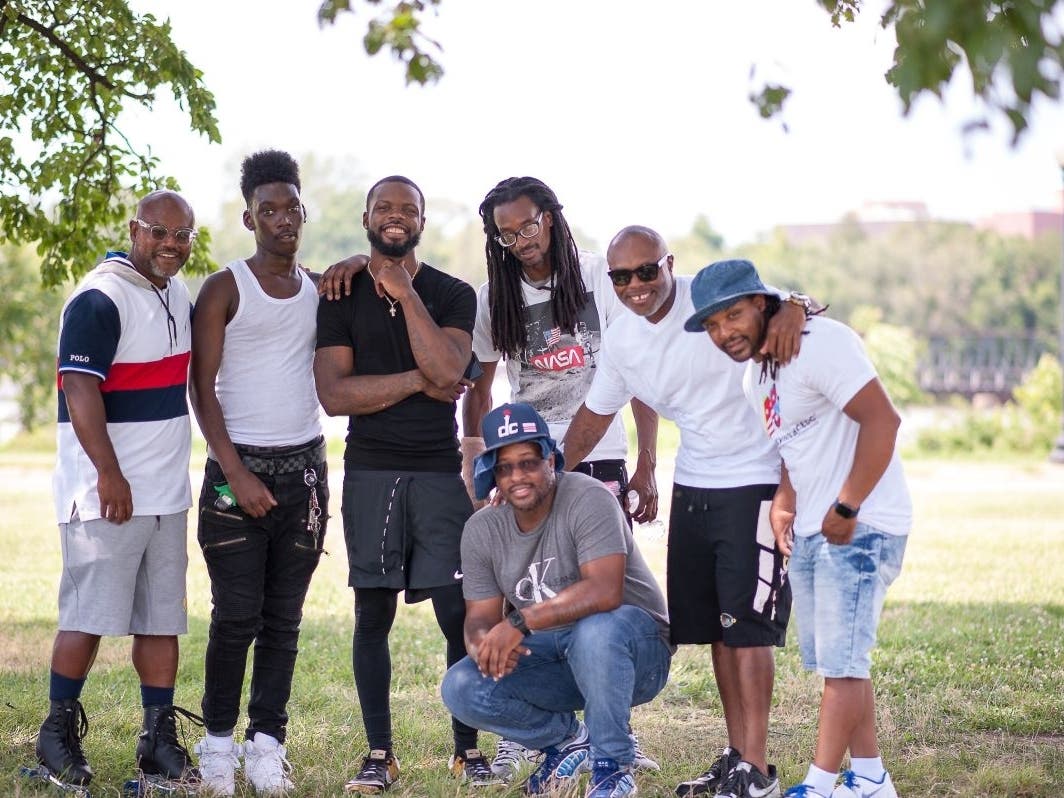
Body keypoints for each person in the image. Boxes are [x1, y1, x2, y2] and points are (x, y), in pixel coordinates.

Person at [562, 226, 813, 798]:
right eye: (621, 277)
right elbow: (595, 414)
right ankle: (736, 757)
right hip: (695, 487)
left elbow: (790, 306)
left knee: (748, 631)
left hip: (756, 484)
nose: (635, 286)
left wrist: (798, 305)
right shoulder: (624, 339)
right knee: (717, 633)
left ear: (669, 263)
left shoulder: (711, 296)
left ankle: (757, 771)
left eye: (647, 271)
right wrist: (551, 471)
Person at [687, 259, 911, 798]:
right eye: (713, 324)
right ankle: (872, 779)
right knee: (843, 662)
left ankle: (818, 784)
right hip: (814, 527)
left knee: (842, 664)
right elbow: (793, 443)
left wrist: (849, 505)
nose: (724, 333)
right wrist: (787, 499)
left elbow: (884, 421)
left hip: (860, 527)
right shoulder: (755, 374)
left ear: (763, 304)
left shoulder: (821, 343)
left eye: (733, 315)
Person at [462, 175, 661, 778]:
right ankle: (535, 734)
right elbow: (481, 385)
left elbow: (636, 369)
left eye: (528, 225)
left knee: (600, 599)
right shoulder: (493, 295)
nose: (520, 240)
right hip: (523, 459)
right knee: (532, 587)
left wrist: (648, 461)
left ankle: (614, 732)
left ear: (551, 216)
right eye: (505, 233)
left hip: (598, 452)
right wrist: (477, 459)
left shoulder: (603, 275)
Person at [314, 175, 497, 793]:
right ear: (366, 215)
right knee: (372, 614)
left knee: (455, 613)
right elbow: (336, 396)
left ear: (422, 220)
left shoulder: (451, 292)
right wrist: (421, 381)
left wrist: (401, 290)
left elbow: (453, 367)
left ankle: (466, 751)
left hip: (437, 470)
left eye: (408, 209)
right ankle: (379, 752)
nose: (396, 216)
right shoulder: (339, 292)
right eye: (385, 207)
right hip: (369, 470)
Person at [38, 190, 199, 791]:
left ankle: (157, 738)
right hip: (107, 492)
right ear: (135, 228)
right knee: (87, 615)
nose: (171, 244)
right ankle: (56, 732)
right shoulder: (99, 297)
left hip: (164, 493)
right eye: (159, 231)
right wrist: (109, 472)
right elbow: (79, 389)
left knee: (162, 621)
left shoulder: (174, 292)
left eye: (182, 235)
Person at [441, 403, 673, 798]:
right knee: (461, 685)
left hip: (635, 653)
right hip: (557, 653)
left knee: (595, 631)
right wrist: (484, 644)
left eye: (529, 462)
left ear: (551, 458)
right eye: (505, 467)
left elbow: (604, 591)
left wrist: (515, 624)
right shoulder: (482, 529)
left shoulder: (588, 497)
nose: (518, 477)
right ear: (493, 474)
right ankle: (567, 741)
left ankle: (612, 767)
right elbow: (479, 617)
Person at [188, 150, 328, 796]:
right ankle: (217, 742)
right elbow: (202, 388)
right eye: (266, 210)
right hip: (234, 474)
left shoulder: (323, 289)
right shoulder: (224, 289)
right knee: (234, 617)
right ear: (249, 218)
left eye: (289, 207)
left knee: (285, 620)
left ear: (304, 210)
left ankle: (267, 742)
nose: (281, 219)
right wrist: (236, 473)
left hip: (305, 474)